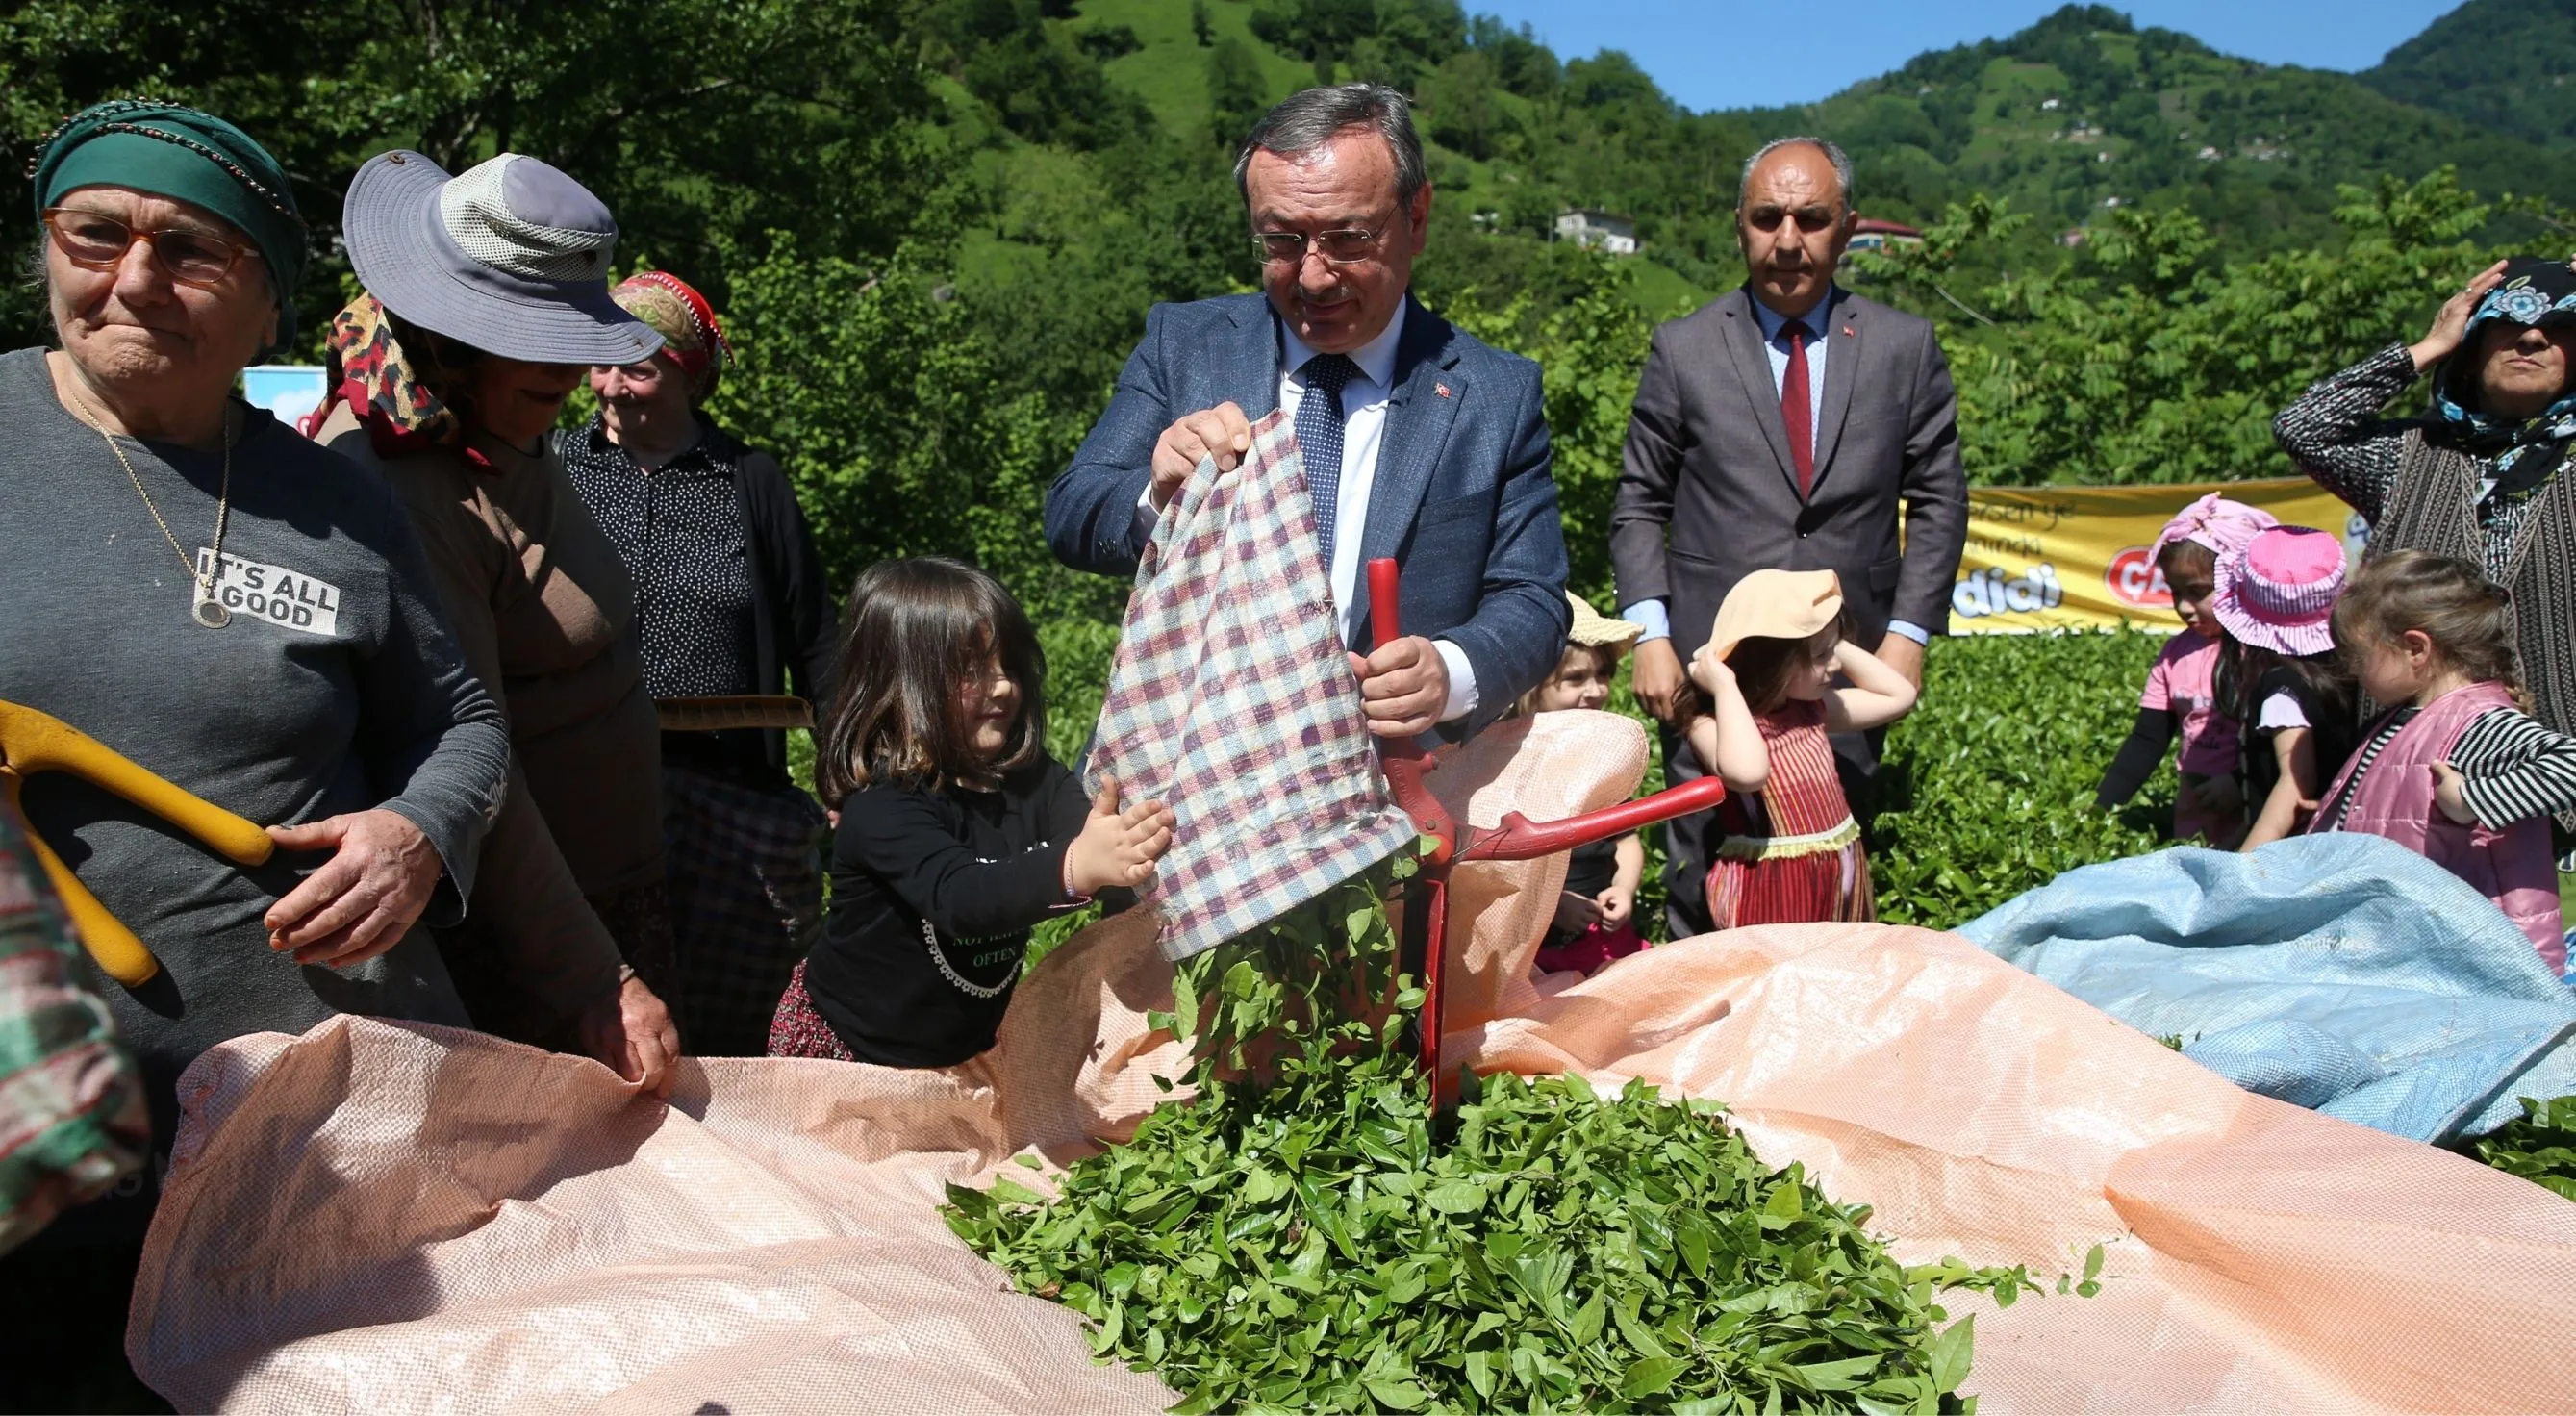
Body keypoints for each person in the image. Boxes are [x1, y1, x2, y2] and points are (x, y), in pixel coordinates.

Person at [0, 99, 518, 1394]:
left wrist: (415, 837)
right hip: (42, 1133)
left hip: (324, 1126)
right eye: (96, 233)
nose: (132, 280)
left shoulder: (333, 498)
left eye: (189, 251)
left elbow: (461, 726)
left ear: (268, 304)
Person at [310, 149, 679, 1091]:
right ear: (444, 332)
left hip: (608, 887)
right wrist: (596, 979)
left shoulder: (499, 417)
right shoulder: (403, 488)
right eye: (534, 332)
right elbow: (466, 755)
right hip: (534, 941)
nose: (575, 365)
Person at [1044, 83, 1570, 738]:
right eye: (1283, 241)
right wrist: (1156, 495)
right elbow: (1072, 513)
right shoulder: (1183, 345)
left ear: (1418, 218)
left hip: (1389, 793)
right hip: (1182, 783)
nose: (1314, 277)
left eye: (1348, 239)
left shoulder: (1496, 395)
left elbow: (1534, 599)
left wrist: (1450, 670)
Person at [1610, 136, 1968, 939]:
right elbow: (1639, 501)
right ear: (1740, 225)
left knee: (1830, 869)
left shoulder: (1904, 349)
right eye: (1768, 217)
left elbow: (1940, 499)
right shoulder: (1686, 347)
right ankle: (1699, 1053)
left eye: (1811, 218)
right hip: (1715, 664)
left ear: (1846, 229)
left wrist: (1909, 632)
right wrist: (1652, 634)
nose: (1788, 239)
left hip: (1834, 663)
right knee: (1705, 874)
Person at [563, 271, 837, 1057]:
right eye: (603, 362)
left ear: (691, 376)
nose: (614, 386)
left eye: (640, 367)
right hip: (588, 785)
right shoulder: (553, 468)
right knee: (603, 1004)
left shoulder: (749, 481)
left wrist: (845, 771)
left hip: (727, 792)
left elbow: (814, 634)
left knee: (730, 1008)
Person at [769, 559, 1175, 1068]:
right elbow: (960, 899)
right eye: (971, 671)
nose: (1002, 686)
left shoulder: (1034, 780)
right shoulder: (884, 804)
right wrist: (1076, 867)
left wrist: (1128, 848)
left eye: (1008, 666)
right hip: (850, 1054)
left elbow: (1093, 838)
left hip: (960, 1050)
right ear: (903, 683)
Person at [2276, 256, 2576, 789]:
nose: (2532, 338)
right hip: (2411, 777)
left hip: (2556, 778)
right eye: (2509, 322)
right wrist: (2430, 345)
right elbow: (2304, 428)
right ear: (2474, 339)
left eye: (2560, 327)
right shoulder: (2408, 454)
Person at [2312, 551, 2576, 971]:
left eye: (2359, 656)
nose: (2351, 670)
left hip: (2482, 968)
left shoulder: (2477, 725)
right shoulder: (2406, 719)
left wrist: (2471, 799)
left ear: (2416, 647)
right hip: (2414, 953)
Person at [1682, 570, 1917, 930]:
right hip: (1769, 889)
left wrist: (1826, 632)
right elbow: (1748, 773)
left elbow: (1899, 696)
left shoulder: (1811, 708)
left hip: (1836, 878)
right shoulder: (1710, 723)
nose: (1835, 665)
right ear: (1772, 660)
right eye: (1822, 656)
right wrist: (1725, 686)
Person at [2094, 494, 2279, 842]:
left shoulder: (2265, 651)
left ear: (2240, 578)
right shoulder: (2175, 654)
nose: (2183, 607)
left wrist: (2242, 781)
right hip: (2195, 820)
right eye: (2175, 592)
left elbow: (2283, 742)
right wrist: (2100, 809)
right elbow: (2148, 738)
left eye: (2197, 592)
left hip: (2259, 821)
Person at [1521, 594, 1649, 975]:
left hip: (1601, 936)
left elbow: (1626, 839)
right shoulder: (1515, 762)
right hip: (1534, 946)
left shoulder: (1604, 756)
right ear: (1531, 685)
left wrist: (1624, 889)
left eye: (1603, 675)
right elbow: (1495, 870)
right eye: (1575, 678)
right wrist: (1552, 904)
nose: (1596, 691)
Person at [2210, 527, 2359, 849]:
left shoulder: (2281, 691)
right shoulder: (2348, 672)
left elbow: (2295, 783)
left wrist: (2245, 861)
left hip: (2294, 850)